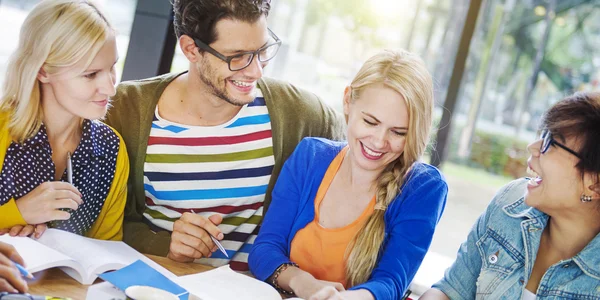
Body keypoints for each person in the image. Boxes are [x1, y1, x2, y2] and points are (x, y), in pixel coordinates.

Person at [104, 0, 345, 271]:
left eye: (262, 51)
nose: (256, 71)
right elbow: (103, 224)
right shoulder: (123, 110)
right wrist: (165, 244)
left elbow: (367, 162)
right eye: (237, 56)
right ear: (191, 49)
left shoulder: (300, 113)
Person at [248, 49, 449, 300]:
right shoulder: (309, 157)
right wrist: (305, 285)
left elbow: (391, 283)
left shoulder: (423, 189)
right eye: (370, 122)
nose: (379, 141)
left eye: (398, 132)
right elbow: (265, 249)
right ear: (347, 102)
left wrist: (340, 299)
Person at [420, 92, 600, 299]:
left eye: (551, 142)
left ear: (594, 183)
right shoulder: (510, 202)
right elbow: (451, 290)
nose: (533, 147)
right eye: (543, 134)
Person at [0, 0, 129, 240]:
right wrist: (19, 213)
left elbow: (107, 248)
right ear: (43, 71)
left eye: (112, 67)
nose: (111, 89)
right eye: (90, 75)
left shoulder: (112, 147)